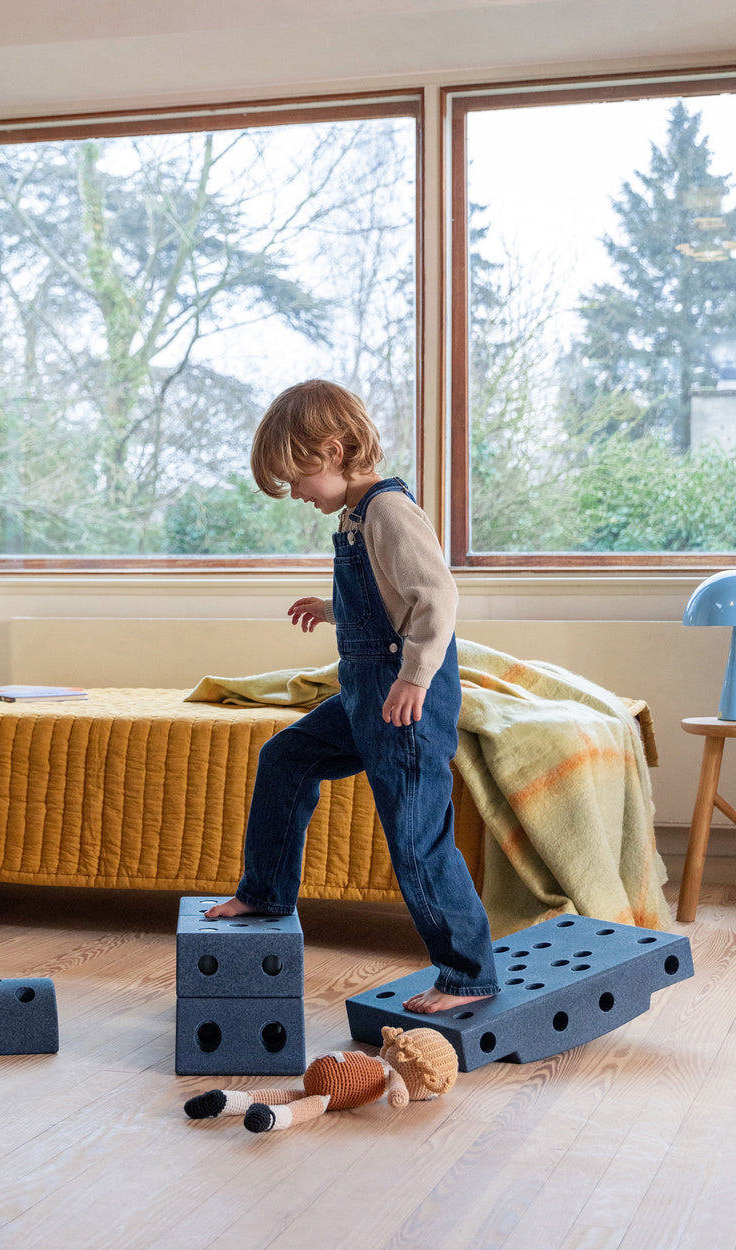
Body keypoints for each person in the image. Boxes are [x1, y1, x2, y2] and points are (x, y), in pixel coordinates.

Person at [206, 379, 499, 1014]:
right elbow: (382, 602)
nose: (297, 495)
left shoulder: (389, 510)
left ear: (334, 452)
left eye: (297, 480)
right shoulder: (355, 514)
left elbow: (435, 598)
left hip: (405, 703)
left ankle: (467, 974)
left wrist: (414, 677)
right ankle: (266, 891)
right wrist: (332, 608)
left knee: (416, 838)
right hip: (366, 696)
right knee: (286, 758)